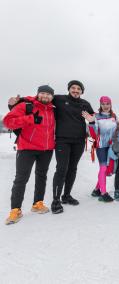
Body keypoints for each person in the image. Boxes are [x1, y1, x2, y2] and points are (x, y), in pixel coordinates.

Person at [8, 80, 95, 214]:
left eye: (79, 88)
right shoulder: (59, 99)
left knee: (72, 169)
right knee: (61, 169)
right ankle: (56, 200)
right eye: (73, 88)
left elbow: (93, 116)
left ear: (82, 91)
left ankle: (66, 196)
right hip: (62, 141)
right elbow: (38, 99)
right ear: (69, 89)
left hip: (78, 141)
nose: (76, 90)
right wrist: (16, 101)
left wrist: (92, 120)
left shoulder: (85, 104)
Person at [4, 85, 56, 224]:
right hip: (27, 148)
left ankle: (37, 204)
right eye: (43, 93)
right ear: (38, 94)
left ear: (52, 97)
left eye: (48, 94)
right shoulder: (26, 106)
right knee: (21, 179)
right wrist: (29, 119)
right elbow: (8, 122)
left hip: (47, 149)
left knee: (42, 176)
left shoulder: (53, 109)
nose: (45, 96)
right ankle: (15, 210)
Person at [86, 96, 119, 202]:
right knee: (103, 168)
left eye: (107, 104)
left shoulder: (114, 116)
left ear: (110, 104)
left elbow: (117, 130)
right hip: (101, 146)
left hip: (111, 146)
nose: (105, 106)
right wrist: (91, 123)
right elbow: (93, 134)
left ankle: (96, 189)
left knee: (107, 169)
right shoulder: (95, 116)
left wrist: (116, 141)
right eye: (103, 104)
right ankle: (103, 193)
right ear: (100, 105)